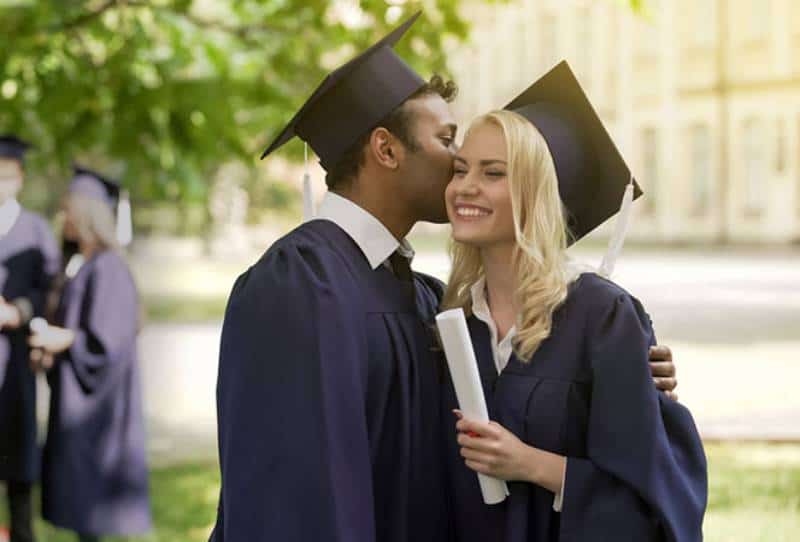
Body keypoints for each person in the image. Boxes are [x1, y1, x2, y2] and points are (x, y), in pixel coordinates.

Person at [211, 13, 679, 541]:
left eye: (490, 168)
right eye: (449, 142)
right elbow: (289, 497)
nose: (460, 165)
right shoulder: (299, 283)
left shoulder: (427, 298)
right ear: (386, 150)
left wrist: (626, 373)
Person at [441, 62, 707, 541]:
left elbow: (653, 502)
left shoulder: (603, 317)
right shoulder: (451, 319)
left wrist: (534, 465)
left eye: (493, 173)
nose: (465, 187)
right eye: (460, 169)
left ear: (539, 193)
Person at [28, 166, 151, 542]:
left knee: (91, 510)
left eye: (67, 210)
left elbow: (107, 342)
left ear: (87, 214)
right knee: (82, 514)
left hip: (99, 409)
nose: (62, 218)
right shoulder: (80, 264)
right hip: (76, 399)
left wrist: (58, 339)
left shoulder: (109, 267)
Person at [0, 135, 60, 542]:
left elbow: (51, 293)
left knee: (18, 467)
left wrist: (18, 311)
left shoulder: (37, 230)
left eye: (6, 176)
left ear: (19, 178)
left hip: (16, 358)